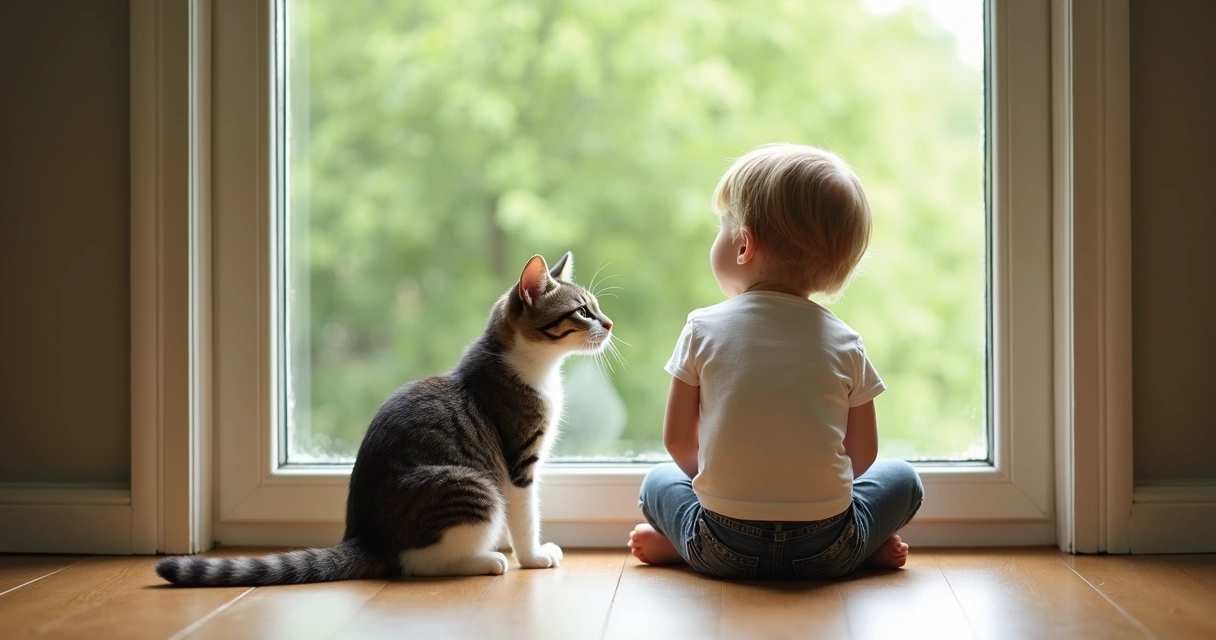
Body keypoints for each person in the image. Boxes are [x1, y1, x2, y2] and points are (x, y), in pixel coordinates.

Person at [628, 143, 924, 579]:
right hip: (825, 550)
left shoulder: (701, 328)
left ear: (744, 245)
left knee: (657, 481)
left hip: (720, 545)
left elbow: (677, 443)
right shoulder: (847, 343)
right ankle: (863, 546)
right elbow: (862, 457)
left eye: (721, 226)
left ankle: (681, 543)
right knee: (904, 478)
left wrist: (720, 481)